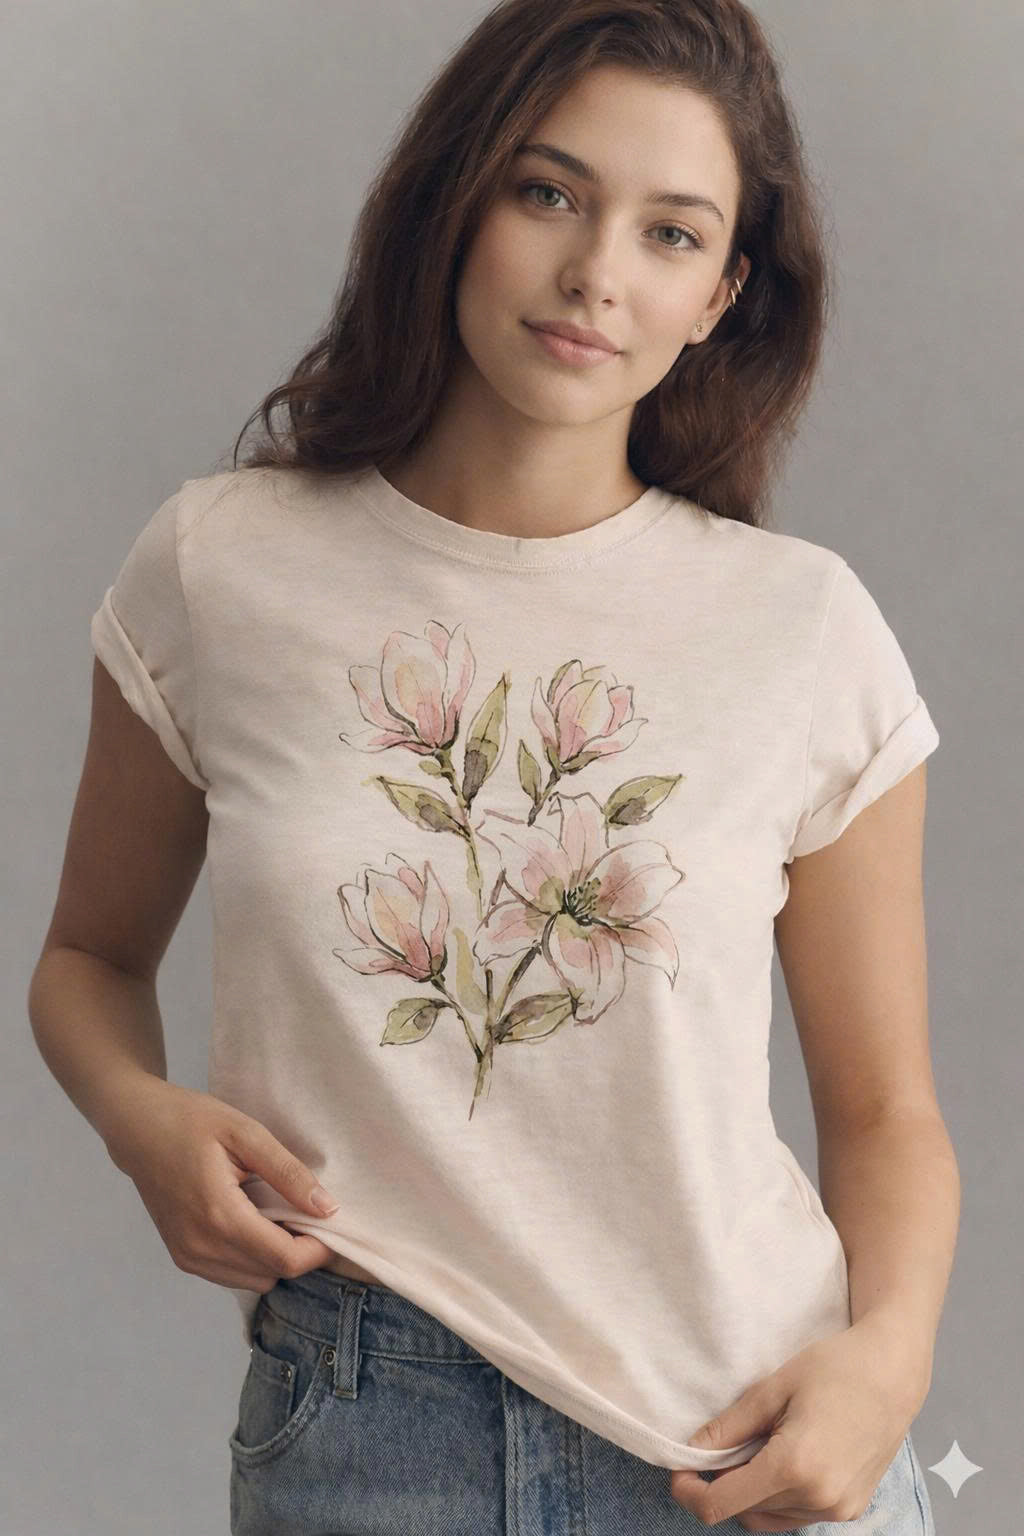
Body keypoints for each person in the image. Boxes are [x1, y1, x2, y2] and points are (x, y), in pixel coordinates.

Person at [29, 1, 957, 1531]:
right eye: (550, 193)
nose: (597, 272)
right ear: (458, 197)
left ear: (721, 295)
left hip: (747, 1444)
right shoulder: (223, 568)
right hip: (364, 1428)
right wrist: (142, 1119)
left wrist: (889, 1366)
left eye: (671, 236)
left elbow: (887, 1116)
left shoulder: (802, 633)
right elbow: (84, 957)